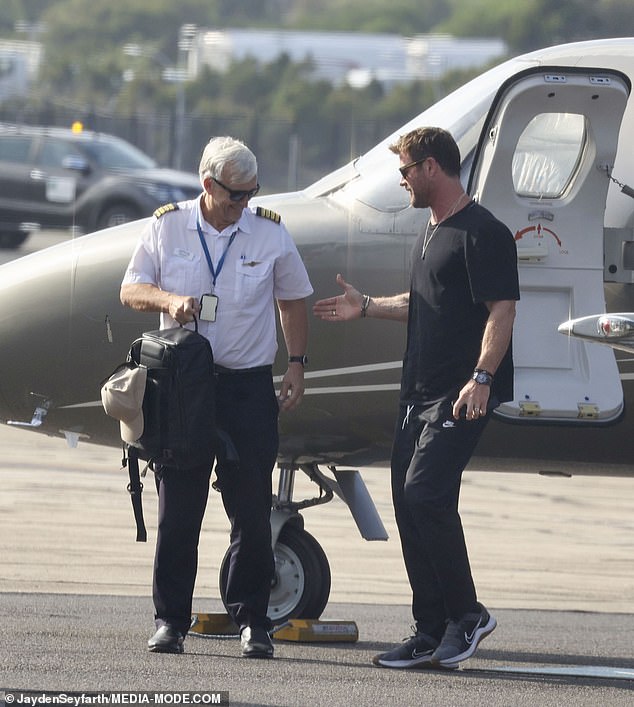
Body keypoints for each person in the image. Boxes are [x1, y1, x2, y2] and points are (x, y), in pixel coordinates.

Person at [313, 127, 519, 670]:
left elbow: (502, 311)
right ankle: (430, 628)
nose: (402, 181)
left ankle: (467, 615)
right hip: (418, 395)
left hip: (461, 394)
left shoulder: (484, 232)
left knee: (426, 494)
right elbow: (427, 303)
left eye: (405, 171)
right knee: (409, 500)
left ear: (431, 167)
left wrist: (483, 378)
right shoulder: (431, 231)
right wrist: (370, 306)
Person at [120, 136, 313, 658]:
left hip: (247, 386)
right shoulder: (168, 225)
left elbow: (294, 298)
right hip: (183, 384)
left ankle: (253, 621)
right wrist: (169, 300)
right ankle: (171, 622)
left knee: (251, 509)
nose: (243, 205)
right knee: (179, 509)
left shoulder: (270, 231)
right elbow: (131, 288)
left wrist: (296, 363)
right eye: (235, 196)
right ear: (209, 185)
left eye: (251, 194)